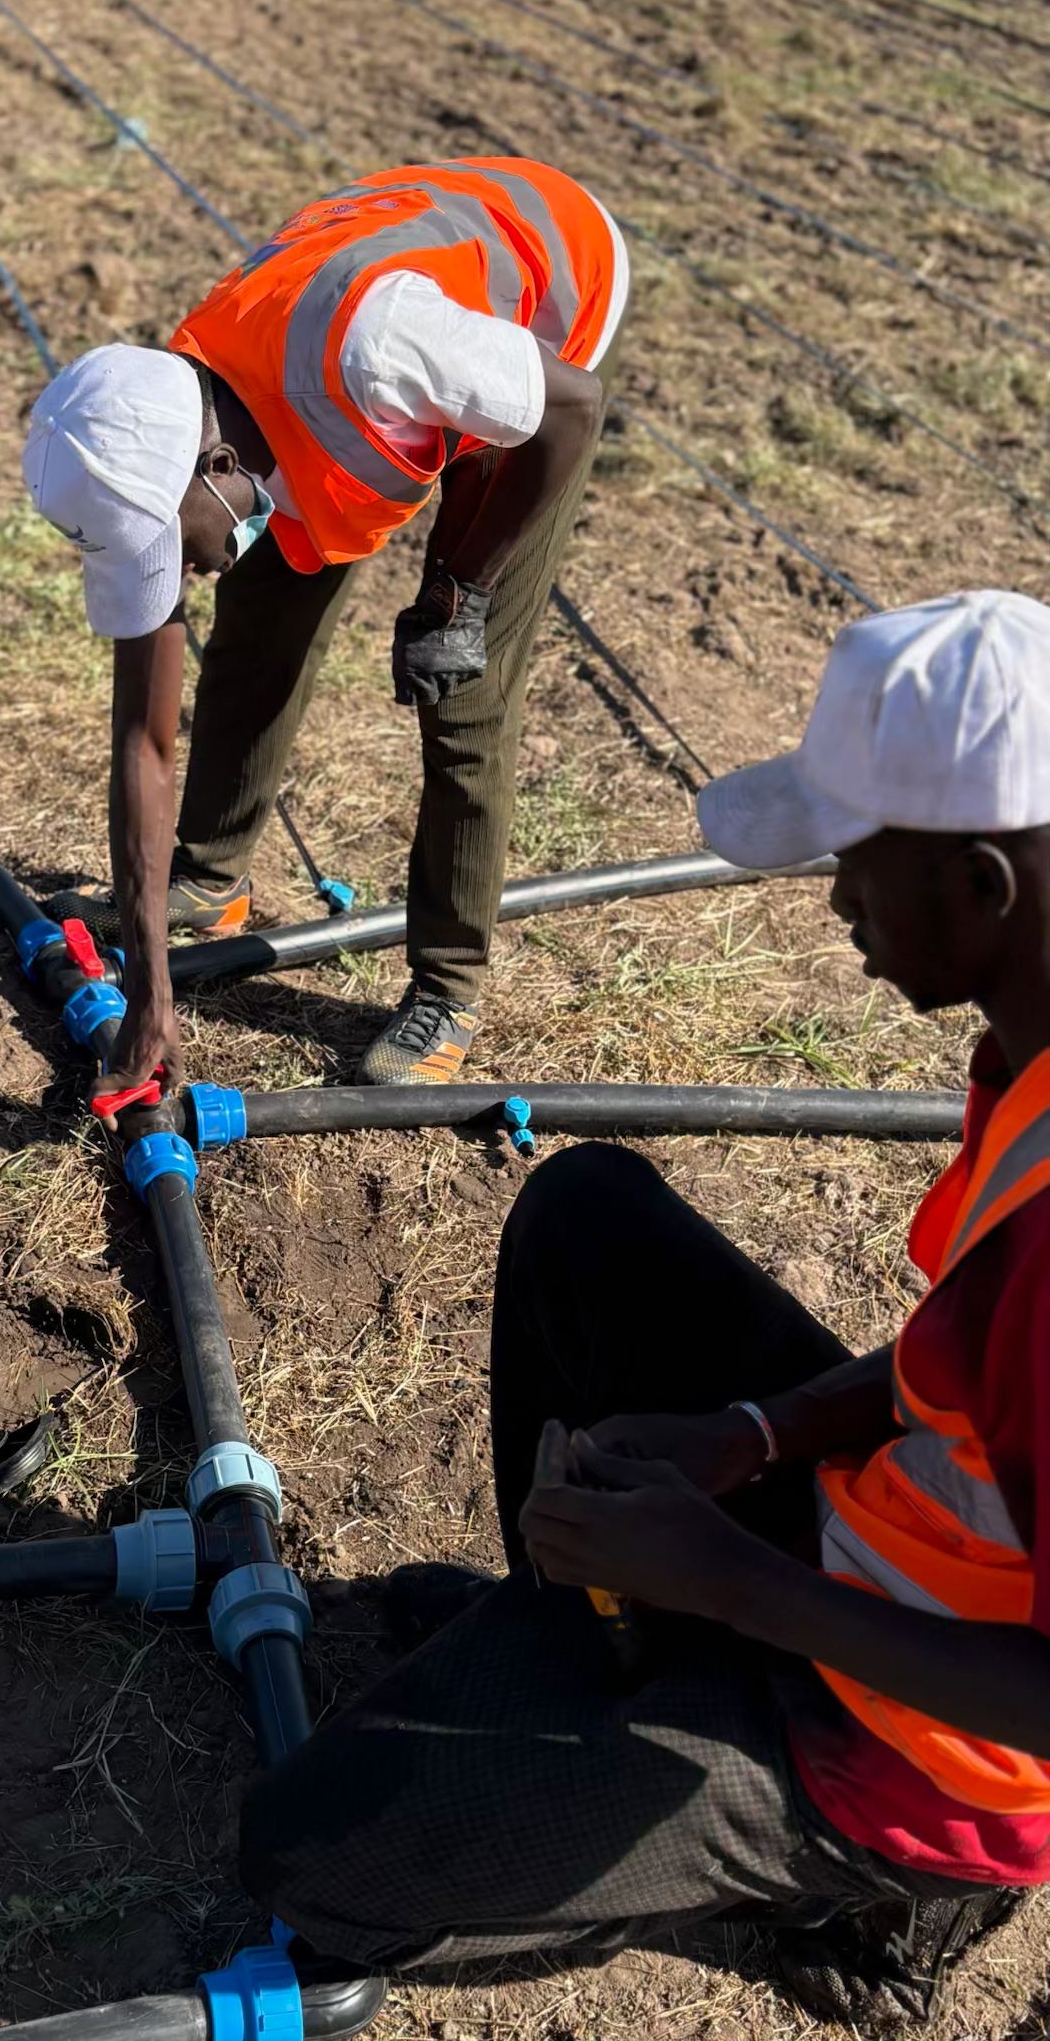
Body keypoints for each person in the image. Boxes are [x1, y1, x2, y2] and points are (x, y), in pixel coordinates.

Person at [238, 590, 1050, 2028]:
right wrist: (750, 1435)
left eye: (856, 864)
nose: (836, 904)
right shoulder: (1028, 1039)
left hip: (930, 1752)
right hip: (877, 1558)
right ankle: (602, 1632)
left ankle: (882, 1887)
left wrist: (740, 1584)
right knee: (586, 1212)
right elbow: (959, 1370)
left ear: (984, 885)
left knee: (314, 1860)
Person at [22, 158, 629, 1099]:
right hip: (390, 366)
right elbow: (143, 742)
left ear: (217, 462)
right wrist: (147, 987)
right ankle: (211, 878)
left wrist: (458, 589)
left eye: (171, 547)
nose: (174, 575)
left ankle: (449, 987)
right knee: (258, 617)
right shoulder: (178, 425)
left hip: (545, 308)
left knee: (459, 683)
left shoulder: (380, 349)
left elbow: (571, 412)